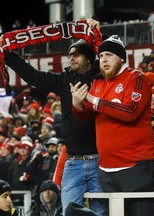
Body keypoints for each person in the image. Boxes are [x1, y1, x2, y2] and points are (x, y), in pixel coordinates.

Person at [0, 19, 107, 216]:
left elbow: (111, 56)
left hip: (100, 161)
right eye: (70, 55)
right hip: (73, 162)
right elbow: (34, 76)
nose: (71, 57)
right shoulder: (63, 81)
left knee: (101, 213)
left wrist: (99, 36)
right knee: (69, 212)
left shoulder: (103, 77)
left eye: (76, 54)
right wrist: (8, 55)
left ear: (90, 58)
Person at [71, 35, 154, 216]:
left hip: (135, 166)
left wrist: (94, 100)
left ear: (121, 58)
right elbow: (88, 115)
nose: (103, 60)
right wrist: (78, 104)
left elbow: (130, 112)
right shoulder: (98, 82)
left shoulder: (136, 78)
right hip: (106, 169)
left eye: (109, 55)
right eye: (101, 56)